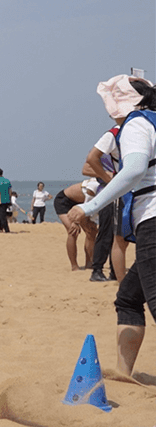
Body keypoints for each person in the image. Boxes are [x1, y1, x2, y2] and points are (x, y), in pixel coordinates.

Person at [67, 75, 156, 382]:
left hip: (154, 219)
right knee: (129, 297)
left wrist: (89, 206)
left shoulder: (135, 124)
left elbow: (133, 169)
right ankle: (124, 375)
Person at [84, 112, 127, 282]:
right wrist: (108, 176)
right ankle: (97, 269)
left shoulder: (131, 135)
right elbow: (87, 166)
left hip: (123, 192)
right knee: (107, 232)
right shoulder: (112, 136)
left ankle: (114, 271)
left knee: (120, 234)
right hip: (108, 194)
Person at [54, 180, 101, 271]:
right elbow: (88, 203)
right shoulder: (95, 184)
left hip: (81, 204)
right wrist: (76, 221)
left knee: (92, 231)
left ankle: (89, 263)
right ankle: (74, 266)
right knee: (73, 231)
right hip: (65, 202)